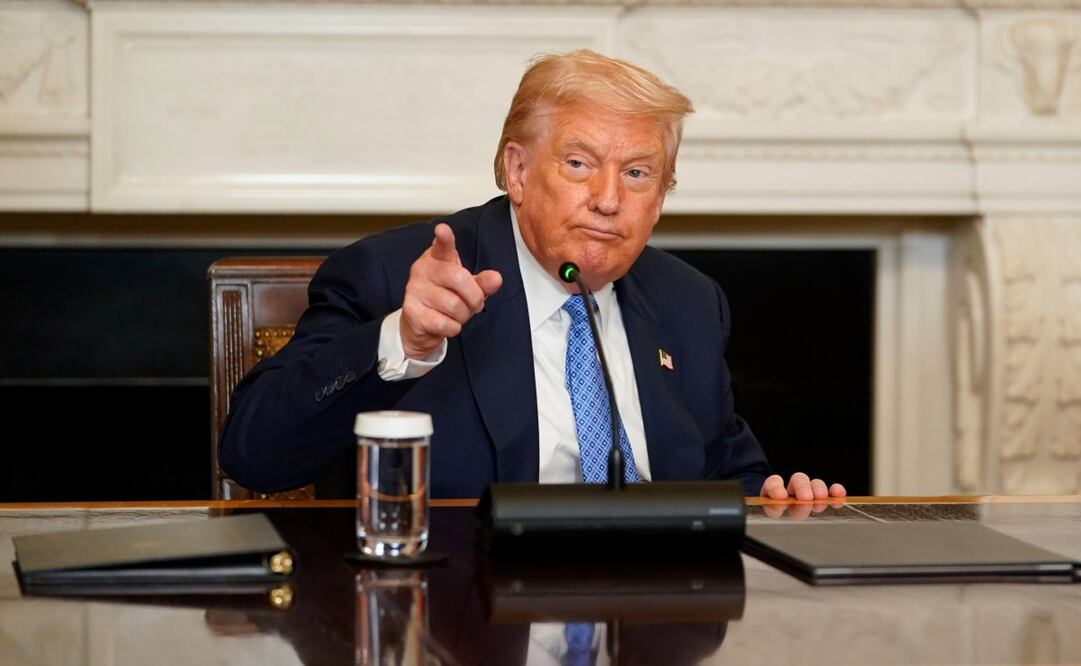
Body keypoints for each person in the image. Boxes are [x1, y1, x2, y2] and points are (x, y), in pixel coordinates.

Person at [219, 50, 846, 502]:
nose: (608, 199)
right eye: (579, 164)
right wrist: (400, 342)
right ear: (516, 172)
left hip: (653, 624)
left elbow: (723, 472)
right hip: (462, 622)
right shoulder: (396, 275)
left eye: (637, 174)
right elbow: (253, 454)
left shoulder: (688, 301)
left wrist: (772, 496)